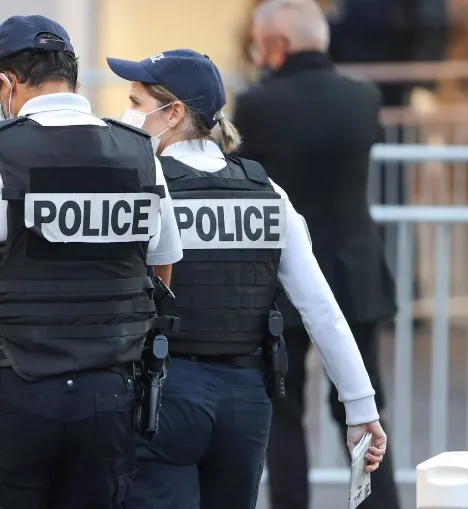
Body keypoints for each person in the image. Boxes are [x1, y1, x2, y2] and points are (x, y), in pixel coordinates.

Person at [0, 14, 183, 508]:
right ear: (68, 75)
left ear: (5, 83)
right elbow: (157, 272)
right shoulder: (139, 154)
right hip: (108, 396)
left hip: (12, 393)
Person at [105, 48, 389, 509]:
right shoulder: (267, 192)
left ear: (173, 113)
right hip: (246, 402)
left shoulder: (143, 188)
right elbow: (320, 307)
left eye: (136, 103)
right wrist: (360, 408)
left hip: (165, 394)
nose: (126, 114)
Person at [234, 1, 400, 508]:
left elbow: (245, 177)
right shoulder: (363, 98)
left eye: (258, 47)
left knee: (283, 415)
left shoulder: (259, 105)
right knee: (364, 409)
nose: (257, 57)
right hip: (354, 273)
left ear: (277, 47)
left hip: (280, 279)